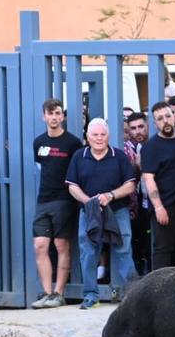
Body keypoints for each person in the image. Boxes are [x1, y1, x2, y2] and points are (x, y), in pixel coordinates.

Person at [65, 119, 137, 309]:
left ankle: (133, 295)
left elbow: (130, 185)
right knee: (88, 252)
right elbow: (72, 186)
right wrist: (89, 202)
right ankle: (91, 296)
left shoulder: (119, 156)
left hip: (117, 209)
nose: (99, 138)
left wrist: (110, 195)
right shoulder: (79, 156)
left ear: (108, 136)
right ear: (87, 137)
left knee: (123, 250)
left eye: (102, 134)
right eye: (95, 135)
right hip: (89, 211)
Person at [30, 98, 82, 308]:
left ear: (63, 116)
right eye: (50, 113)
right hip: (43, 199)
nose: (54, 117)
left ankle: (59, 293)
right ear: (44, 116)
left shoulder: (73, 143)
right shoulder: (39, 142)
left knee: (61, 245)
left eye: (58, 113)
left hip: (65, 200)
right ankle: (46, 292)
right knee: (40, 245)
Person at [142, 100, 175, 269]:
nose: (165, 121)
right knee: (163, 251)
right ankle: (158, 286)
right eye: (160, 118)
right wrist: (159, 207)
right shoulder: (151, 147)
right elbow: (148, 178)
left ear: (173, 117)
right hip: (165, 207)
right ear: (155, 123)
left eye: (167, 116)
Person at [123, 111, 151, 273]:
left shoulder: (152, 144)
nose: (137, 131)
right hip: (143, 202)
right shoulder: (137, 147)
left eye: (141, 126)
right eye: (133, 128)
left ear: (148, 125)